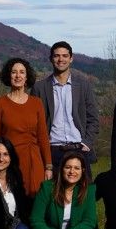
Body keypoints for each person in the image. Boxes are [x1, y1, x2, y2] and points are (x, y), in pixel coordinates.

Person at [0, 57, 52, 198]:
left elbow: (42, 136)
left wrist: (48, 166)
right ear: (8, 75)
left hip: (33, 162)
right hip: (9, 162)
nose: (18, 76)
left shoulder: (36, 103)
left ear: (27, 77)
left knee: (34, 202)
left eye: (22, 72)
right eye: (14, 72)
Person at [31, 41, 100, 169]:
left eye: (65, 56)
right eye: (56, 56)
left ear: (71, 59)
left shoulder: (83, 85)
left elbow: (93, 119)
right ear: (51, 59)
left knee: (85, 183)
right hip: (51, 153)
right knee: (50, 183)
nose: (60, 59)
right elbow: (33, 124)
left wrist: (86, 144)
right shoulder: (39, 88)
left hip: (79, 150)